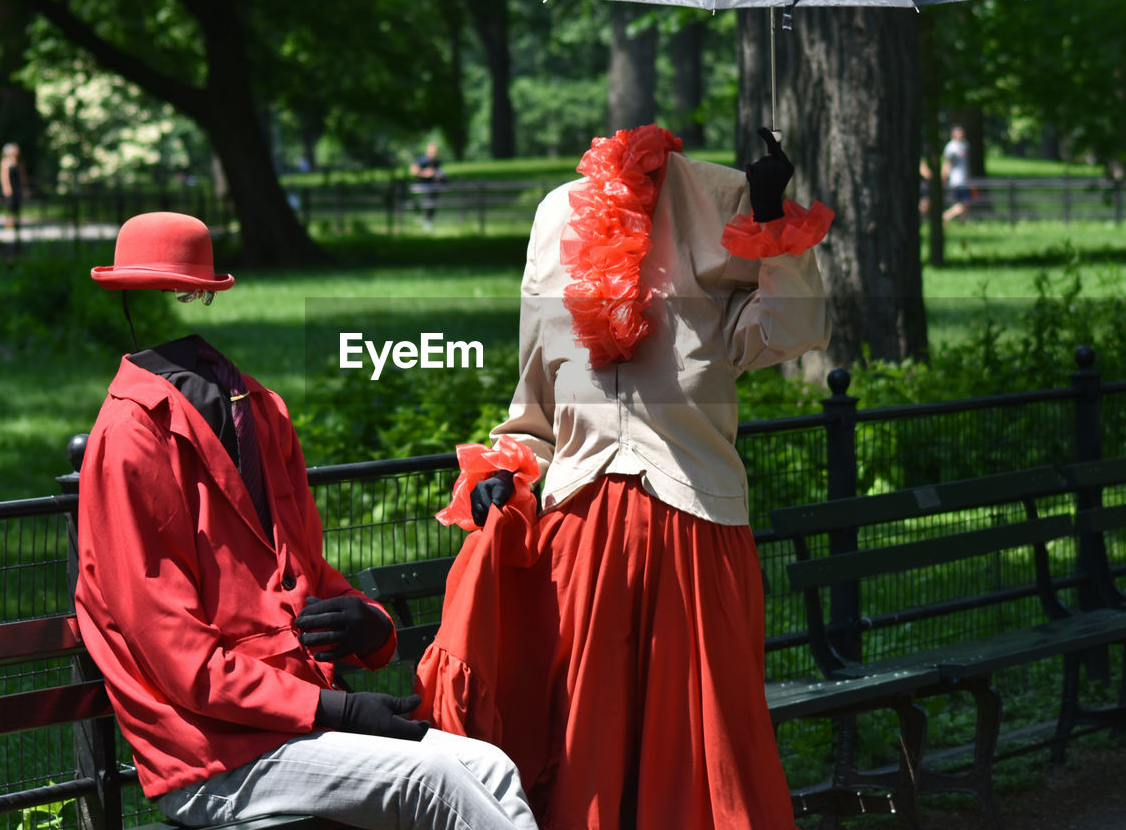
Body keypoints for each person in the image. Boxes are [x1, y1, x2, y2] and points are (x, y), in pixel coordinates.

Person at [414, 124, 833, 830]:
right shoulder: (555, 229)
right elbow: (532, 418)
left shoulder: (720, 227)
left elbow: (795, 329)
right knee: (586, 744)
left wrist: (769, 219)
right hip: (582, 540)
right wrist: (506, 474)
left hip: (697, 530)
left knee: (711, 746)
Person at [73, 212, 538, 830]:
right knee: (435, 781)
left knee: (491, 767)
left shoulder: (259, 411)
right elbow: (182, 660)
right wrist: (336, 710)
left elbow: (306, 574)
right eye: (176, 296)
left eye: (196, 295)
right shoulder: (133, 436)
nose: (190, 314)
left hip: (297, 724)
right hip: (213, 759)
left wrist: (370, 625)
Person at [941, 125, 975, 222]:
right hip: (955, 180)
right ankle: (945, 216)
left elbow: (967, 164)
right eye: (958, 133)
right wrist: (944, 177)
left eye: (961, 132)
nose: (960, 135)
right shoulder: (951, 148)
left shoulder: (965, 145)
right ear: (953, 134)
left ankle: (962, 224)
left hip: (964, 180)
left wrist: (969, 178)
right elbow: (946, 164)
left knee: (966, 204)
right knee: (963, 204)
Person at [409, 142, 446, 230]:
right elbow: (413, 171)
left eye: (435, 152)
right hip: (423, 186)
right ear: (428, 151)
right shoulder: (422, 160)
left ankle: (429, 221)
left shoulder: (437, 161)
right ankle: (426, 221)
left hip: (434, 187)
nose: (433, 154)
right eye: (432, 152)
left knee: (433, 204)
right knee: (428, 204)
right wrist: (426, 174)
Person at [0, 142, 27, 243]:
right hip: (10, 188)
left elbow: (22, 176)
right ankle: (9, 224)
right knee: (10, 207)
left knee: (17, 206)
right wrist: (6, 188)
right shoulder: (5, 162)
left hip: (17, 188)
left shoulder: (19, 162)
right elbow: (4, 177)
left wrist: (24, 188)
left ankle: (16, 224)